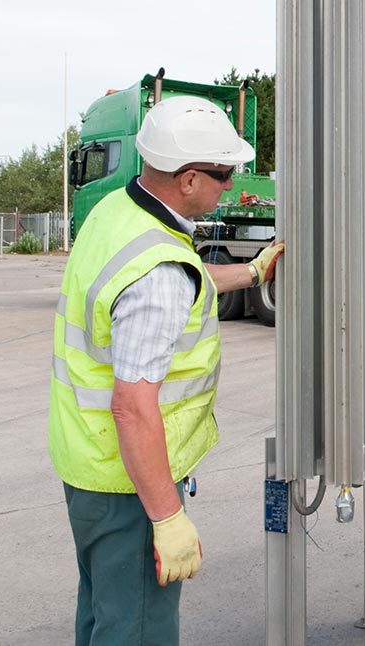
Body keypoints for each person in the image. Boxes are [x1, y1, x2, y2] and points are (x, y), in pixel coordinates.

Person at [48, 95, 284, 645]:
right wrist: (166, 516)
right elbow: (133, 407)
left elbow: (182, 280)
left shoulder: (118, 213)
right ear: (187, 179)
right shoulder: (157, 271)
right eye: (224, 174)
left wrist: (251, 271)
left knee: (105, 615)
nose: (231, 185)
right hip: (128, 482)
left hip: (88, 466)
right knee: (137, 630)